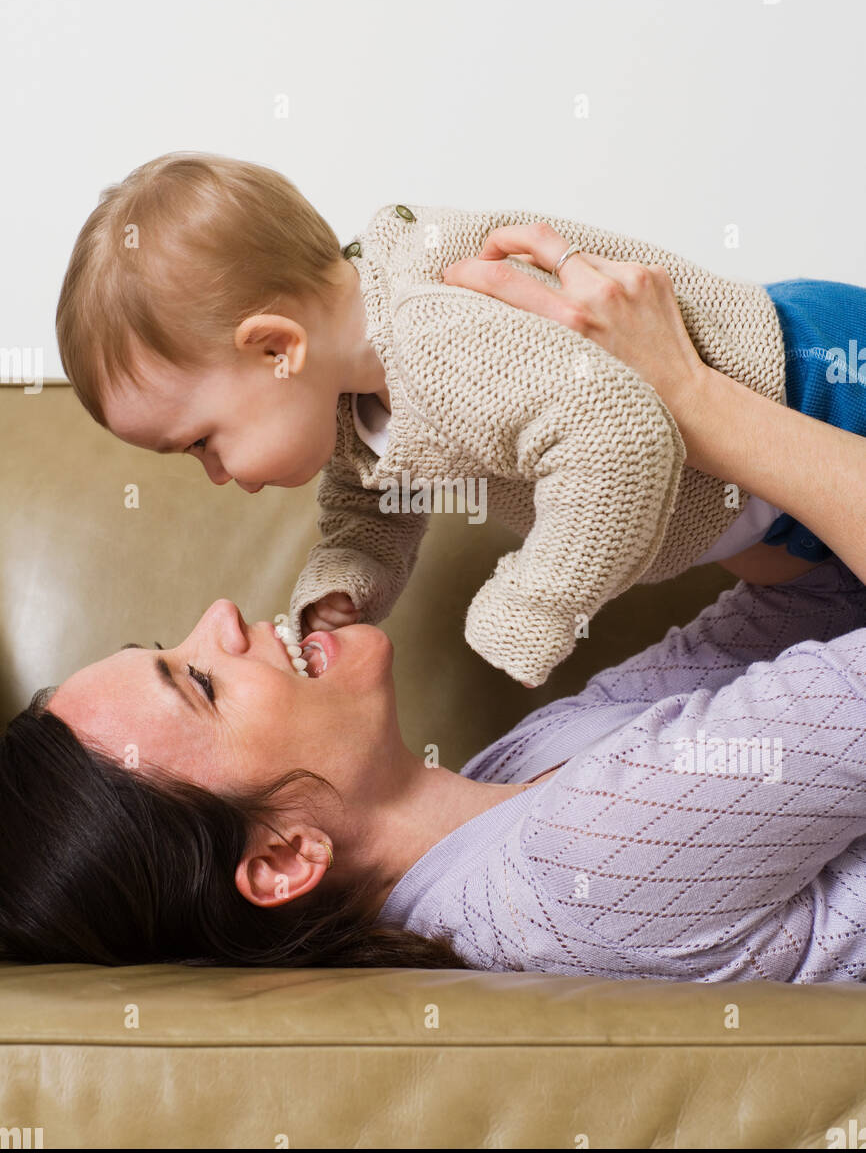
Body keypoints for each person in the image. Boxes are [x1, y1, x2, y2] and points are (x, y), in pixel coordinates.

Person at [5, 246, 866, 980]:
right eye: (200, 683)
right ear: (282, 858)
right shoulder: (576, 861)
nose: (222, 615)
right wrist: (689, 396)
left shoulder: (509, 774)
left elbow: (814, 600)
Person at [54, 151, 866, 686]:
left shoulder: (431, 338)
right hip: (787, 506)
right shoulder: (351, 403)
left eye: (202, 442)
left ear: (275, 350)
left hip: (820, 386)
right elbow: (368, 516)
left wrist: (537, 603)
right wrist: (342, 589)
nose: (219, 475)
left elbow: (619, 438)